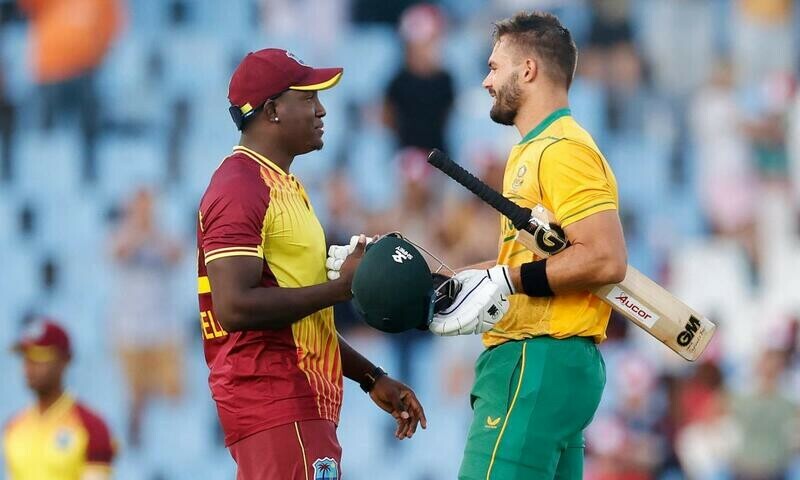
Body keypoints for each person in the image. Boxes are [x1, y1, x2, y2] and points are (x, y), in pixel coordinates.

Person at [197, 48, 426, 479]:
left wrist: (370, 375)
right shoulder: (240, 185)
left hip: (298, 400)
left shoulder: (286, 186)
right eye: (307, 98)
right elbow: (234, 306)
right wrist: (342, 288)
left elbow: (299, 321)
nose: (321, 110)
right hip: (276, 397)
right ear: (272, 110)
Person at [450, 12, 628, 480]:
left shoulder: (561, 149)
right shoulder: (532, 150)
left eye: (494, 67)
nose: (486, 81)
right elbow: (528, 260)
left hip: (536, 357)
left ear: (527, 70)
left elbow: (606, 258)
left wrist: (508, 280)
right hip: (549, 362)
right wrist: (455, 279)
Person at [108, 187, 184, 448]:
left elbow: (176, 255)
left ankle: (170, 444)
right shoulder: (123, 234)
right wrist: (141, 232)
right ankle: (136, 445)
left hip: (163, 327)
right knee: (136, 395)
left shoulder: (162, 234)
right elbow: (119, 253)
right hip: (131, 330)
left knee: (174, 393)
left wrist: (152, 233)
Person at [3, 319, 115, 480]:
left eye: (39, 357)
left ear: (65, 360)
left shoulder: (91, 426)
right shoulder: (13, 427)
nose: (29, 367)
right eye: (26, 357)